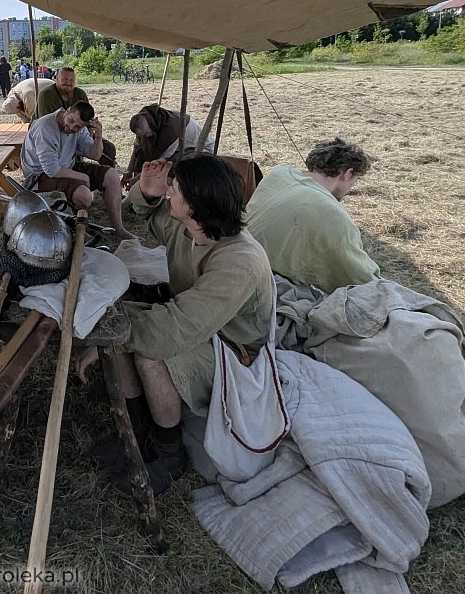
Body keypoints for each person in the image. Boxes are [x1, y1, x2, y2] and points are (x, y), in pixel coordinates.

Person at [76, 155, 274, 495]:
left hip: (234, 351)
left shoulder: (239, 262)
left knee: (149, 356)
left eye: (175, 189)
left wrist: (111, 341)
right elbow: (153, 217)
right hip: (198, 326)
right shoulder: (193, 229)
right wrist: (147, 192)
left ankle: (169, 453)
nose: (169, 192)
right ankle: (138, 432)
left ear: (195, 205)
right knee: (115, 324)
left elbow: (177, 328)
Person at [244, 137, 379, 294]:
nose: (350, 188)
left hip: (235, 258)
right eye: (353, 182)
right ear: (347, 173)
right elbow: (361, 277)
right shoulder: (329, 212)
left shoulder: (279, 173)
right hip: (261, 284)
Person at [21, 101, 135, 239]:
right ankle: (78, 229)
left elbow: (95, 155)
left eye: (78, 126)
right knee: (84, 195)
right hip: (39, 176)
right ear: (67, 111)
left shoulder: (79, 128)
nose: (71, 127)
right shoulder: (45, 127)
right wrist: (83, 177)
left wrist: (98, 137)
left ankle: (119, 229)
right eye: (71, 120)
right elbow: (52, 170)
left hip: (65, 166)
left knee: (111, 175)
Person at [32, 66, 116, 165]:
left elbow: (88, 120)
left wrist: (89, 138)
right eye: (64, 79)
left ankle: (105, 171)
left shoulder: (80, 94)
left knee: (109, 148)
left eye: (71, 80)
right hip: (49, 136)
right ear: (56, 79)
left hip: (76, 132)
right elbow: (48, 126)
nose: (68, 82)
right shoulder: (47, 94)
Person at [123, 105, 215, 186]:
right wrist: (128, 171)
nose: (144, 137)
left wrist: (138, 179)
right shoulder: (148, 123)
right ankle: (138, 190)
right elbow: (137, 148)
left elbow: (160, 162)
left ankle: (163, 192)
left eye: (146, 134)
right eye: (141, 136)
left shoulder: (172, 130)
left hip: (199, 149)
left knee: (170, 166)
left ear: (151, 126)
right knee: (142, 154)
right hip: (177, 148)